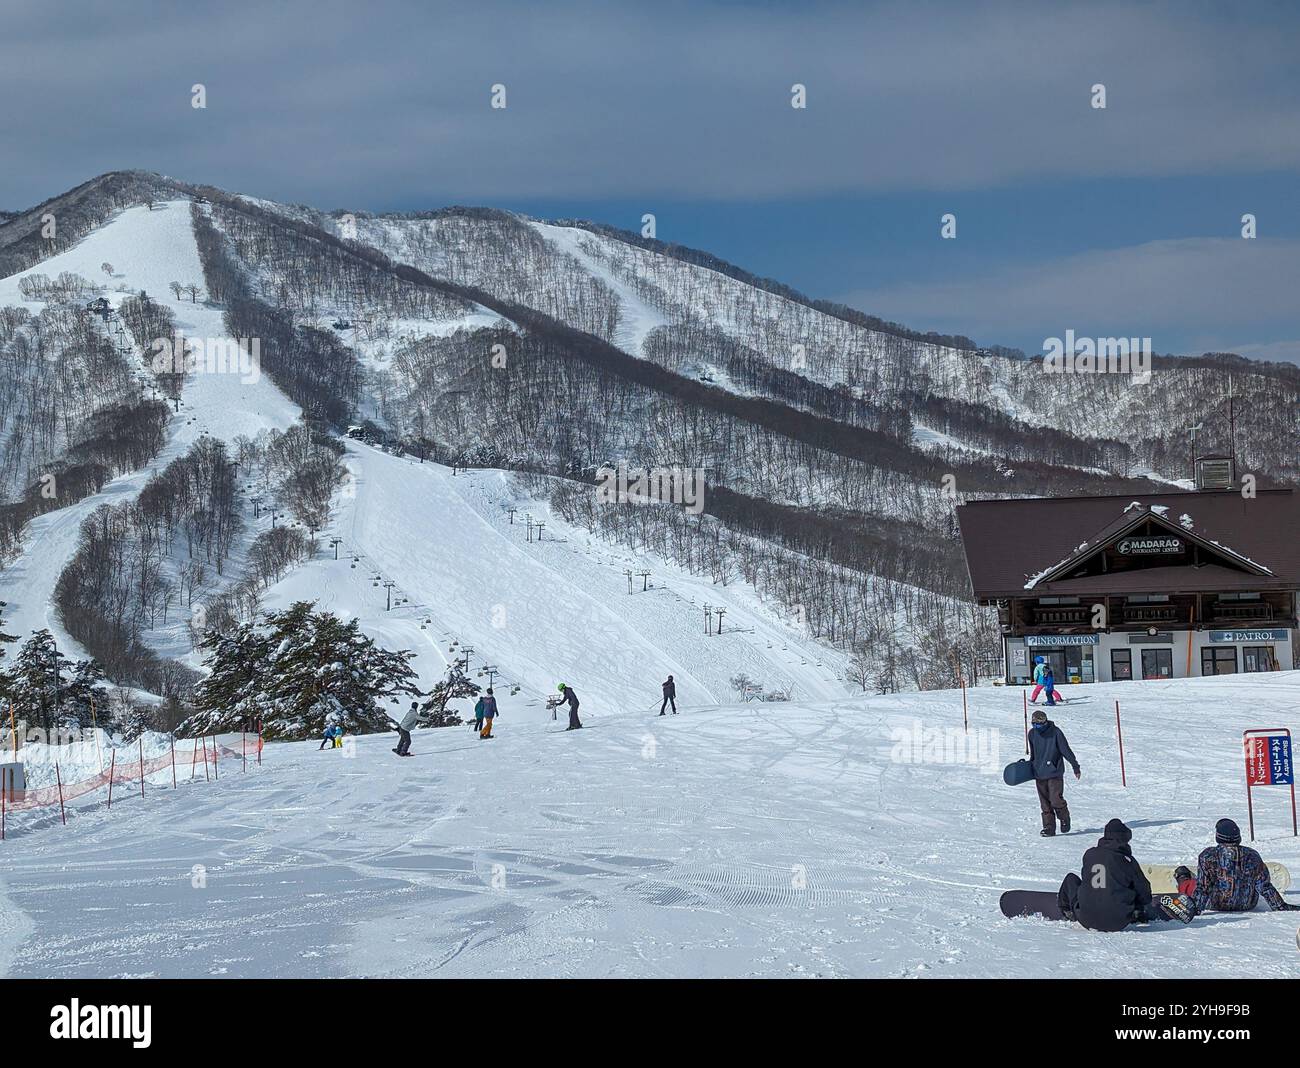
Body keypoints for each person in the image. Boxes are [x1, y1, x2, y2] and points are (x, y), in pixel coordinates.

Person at [1057, 818, 1155, 931]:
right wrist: (1138, 905)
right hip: (1118, 921)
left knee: (1071, 879)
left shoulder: (1090, 854)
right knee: (1134, 885)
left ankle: (1068, 911)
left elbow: (1086, 881)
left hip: (1086, 918)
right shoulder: (1127, 860)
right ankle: (1136, 913)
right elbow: (1145, 893)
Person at [1186, 818, 1300, 916]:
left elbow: (1204, 887)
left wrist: (1195, 909)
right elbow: (1265, 887)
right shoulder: (1252, 855)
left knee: (1189, 880)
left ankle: (1183, 878)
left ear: (1218, 837)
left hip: (1216, 905)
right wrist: (1280, 906)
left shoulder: (1207, 856)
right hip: (1247, 905)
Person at [1028, 709, 1080, 836]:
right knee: (1045, 803)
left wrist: (1075, 766)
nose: (1036, 727)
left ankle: (1064, 818)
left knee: (1055, 799)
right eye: (1034, 724)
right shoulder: (1032, 734)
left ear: (1045, 722)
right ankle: (1049, 828)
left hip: (1054, 772)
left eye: (1039, 724)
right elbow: (1034, 753)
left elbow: (1065, 750)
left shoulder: (1056, 733)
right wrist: (1029, 766)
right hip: (1039, 773)